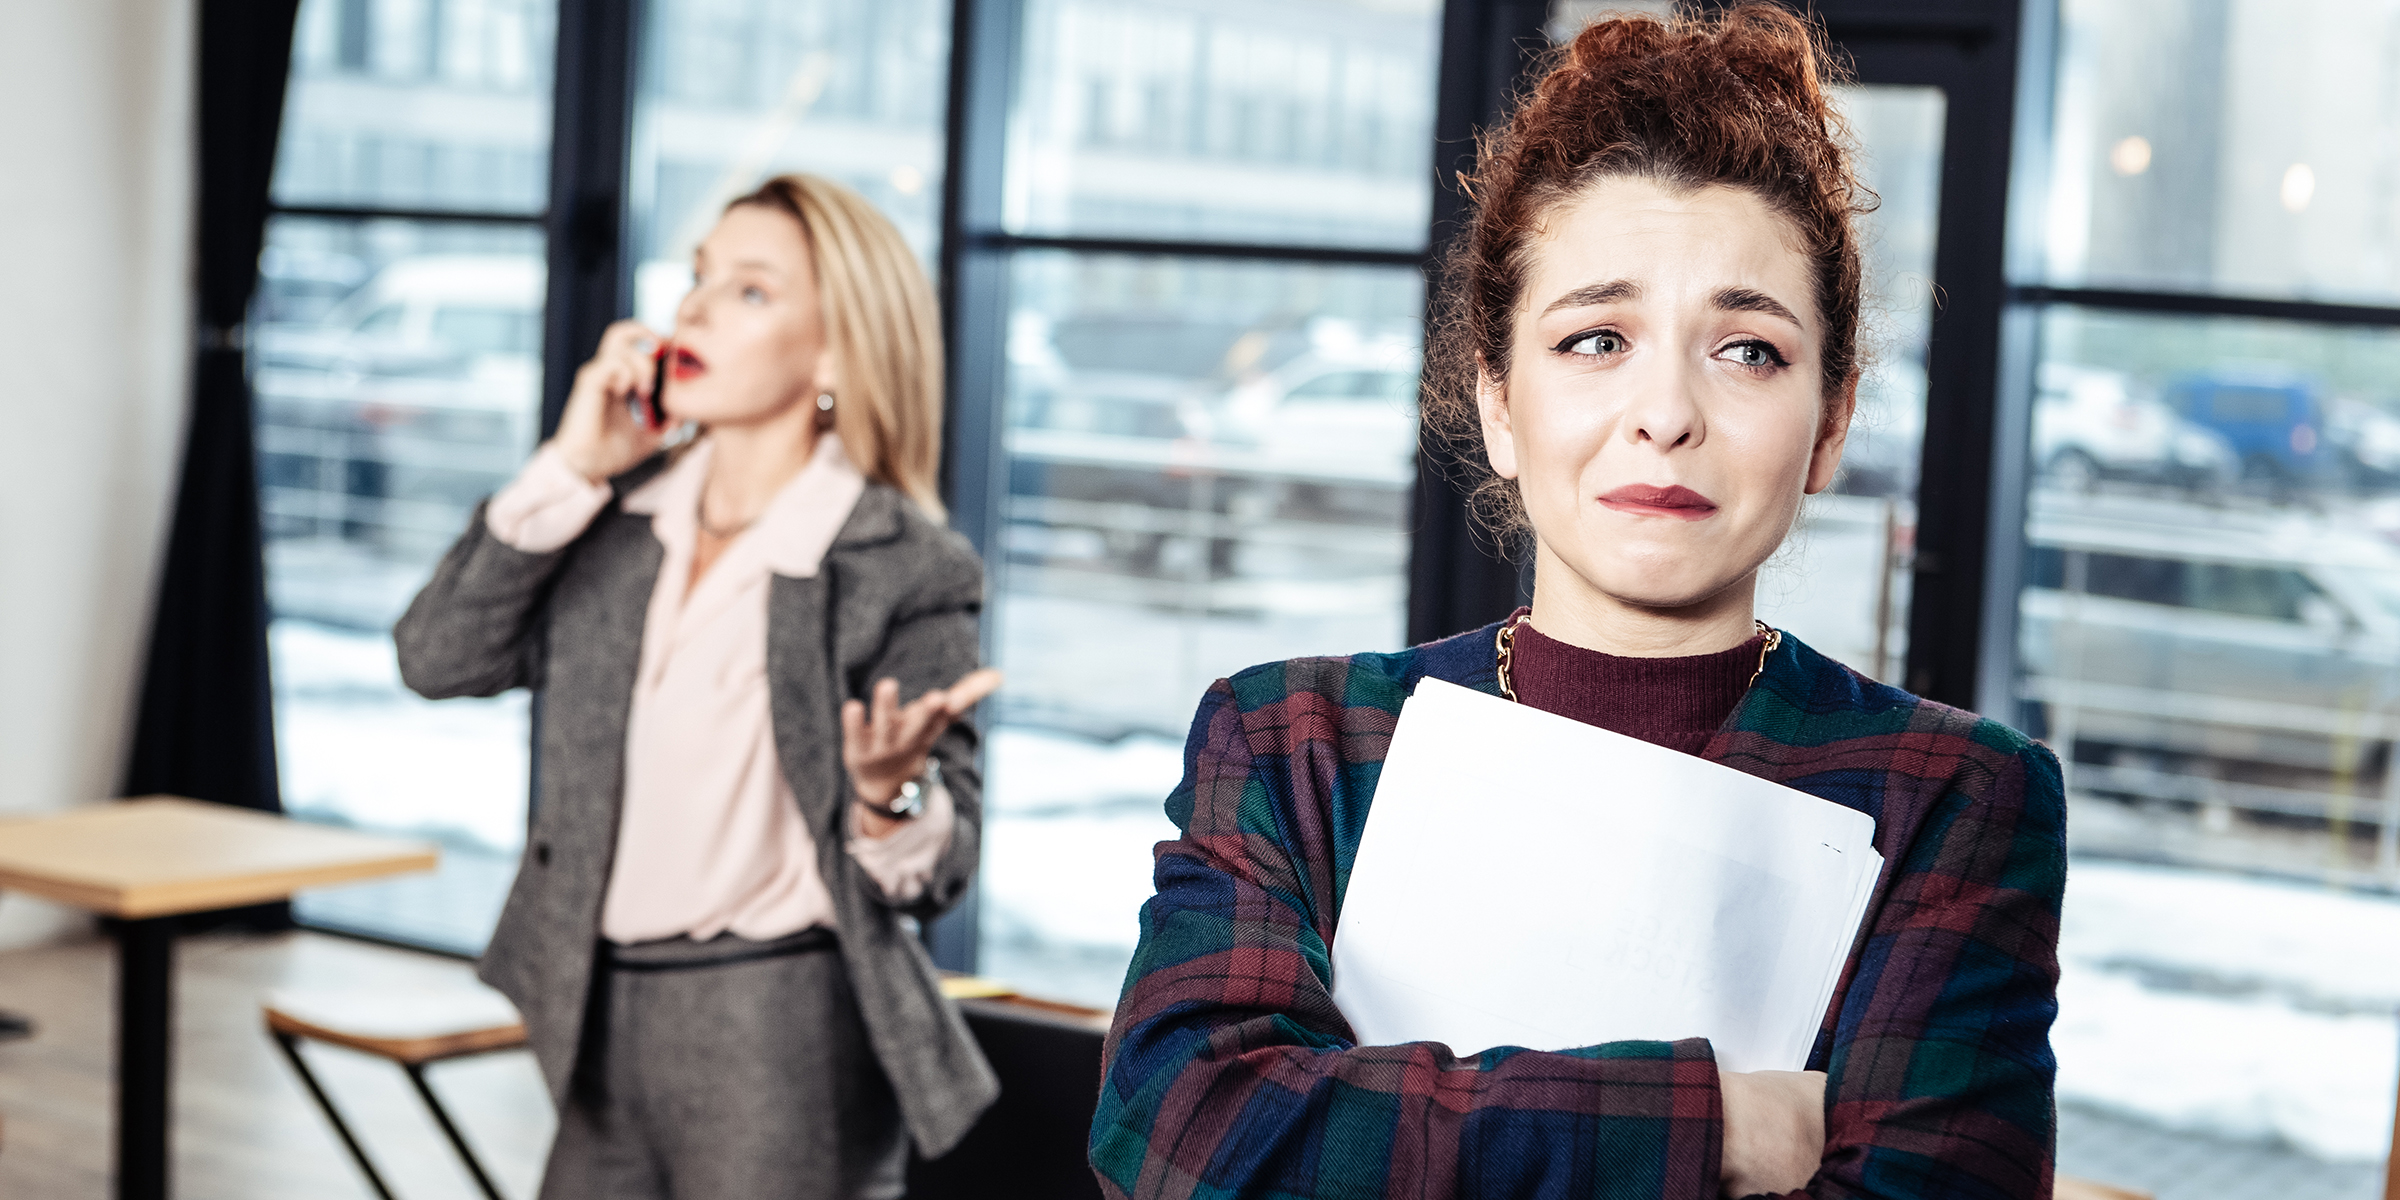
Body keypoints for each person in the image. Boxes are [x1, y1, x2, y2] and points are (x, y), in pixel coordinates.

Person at [1088, 8, 2064, 1199]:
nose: (1665, 413)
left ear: (1833, 423)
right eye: (1597, 338)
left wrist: (1379, 1125)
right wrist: (1713, 1129)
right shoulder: (1295, 743)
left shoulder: (1957, 798)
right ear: (1500, 404)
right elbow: (1189, 1135)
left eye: (1748, 349)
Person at [395, 173, 1000, 1199]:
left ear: (835, 351)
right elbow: (439, 658)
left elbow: (936, 871)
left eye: (750, 291)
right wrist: (572, 464)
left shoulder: (904, 563)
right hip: (593, 1005)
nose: (694, 309)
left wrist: (886, 791)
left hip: (779, 1021)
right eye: (700, 276)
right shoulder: (612, 519)